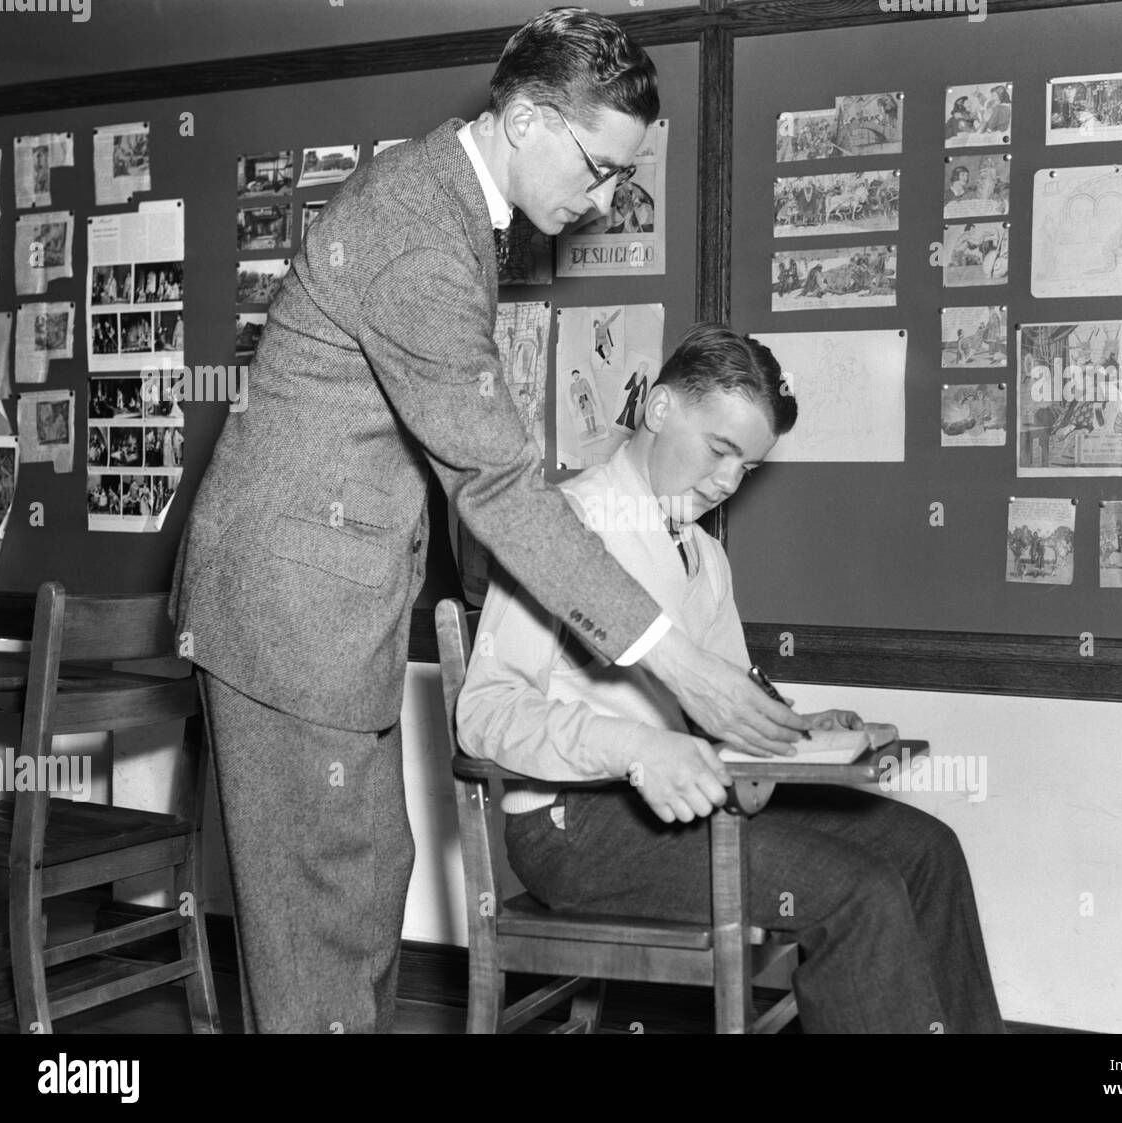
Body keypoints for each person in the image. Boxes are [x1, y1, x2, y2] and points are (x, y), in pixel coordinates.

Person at [170, 7, 805, 1035]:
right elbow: (499, 482)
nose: (604, 200)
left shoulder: (451, 213)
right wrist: (678, 666)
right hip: (284, 611)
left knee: (368, 886)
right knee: (322, 920)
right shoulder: (420, 233)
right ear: (524, 121)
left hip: (331, 602)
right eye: (599, 168)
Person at [458, 324, 1005, 1034]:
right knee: (858, 892)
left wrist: (799, 728)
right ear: (658, 409)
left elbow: (729, 699)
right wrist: (634, 746)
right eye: (719, 449)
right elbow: (485, 713)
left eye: (744, 466)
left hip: (696, 797)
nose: (725, 480)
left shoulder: (707, 556)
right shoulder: (563, 524)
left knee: (929, 851)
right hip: (576, 826)